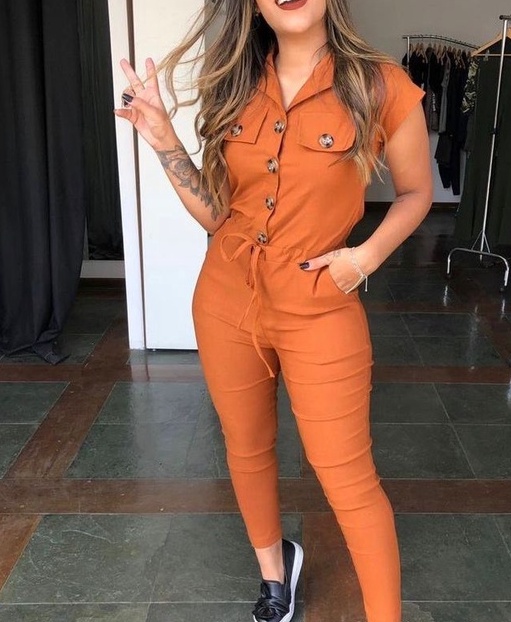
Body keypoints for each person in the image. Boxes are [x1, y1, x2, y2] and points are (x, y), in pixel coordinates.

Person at [114, 1, 432, 620]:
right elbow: (218, 215)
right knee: (247, 447)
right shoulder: (234, 83)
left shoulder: (381, 85)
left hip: (322, 307)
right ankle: (274, 575)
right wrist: (165, 141)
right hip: (226, 303)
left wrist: (364, 258)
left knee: (347, 477)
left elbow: (417, 192)